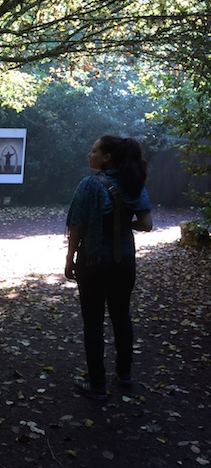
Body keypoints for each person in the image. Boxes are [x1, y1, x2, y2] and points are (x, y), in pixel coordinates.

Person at [65, 135, 153, 400]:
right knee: (121, 316)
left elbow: (76, 227)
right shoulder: (134, 183)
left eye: (93, 151)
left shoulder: (89, 185)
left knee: (93, 321)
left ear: (107, 158)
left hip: (93, 261)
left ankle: (98, 385)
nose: (88, 155)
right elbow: (147, 223)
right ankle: (124, 375)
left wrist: (70, 259)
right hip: (125, 260)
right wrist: (123, 224)